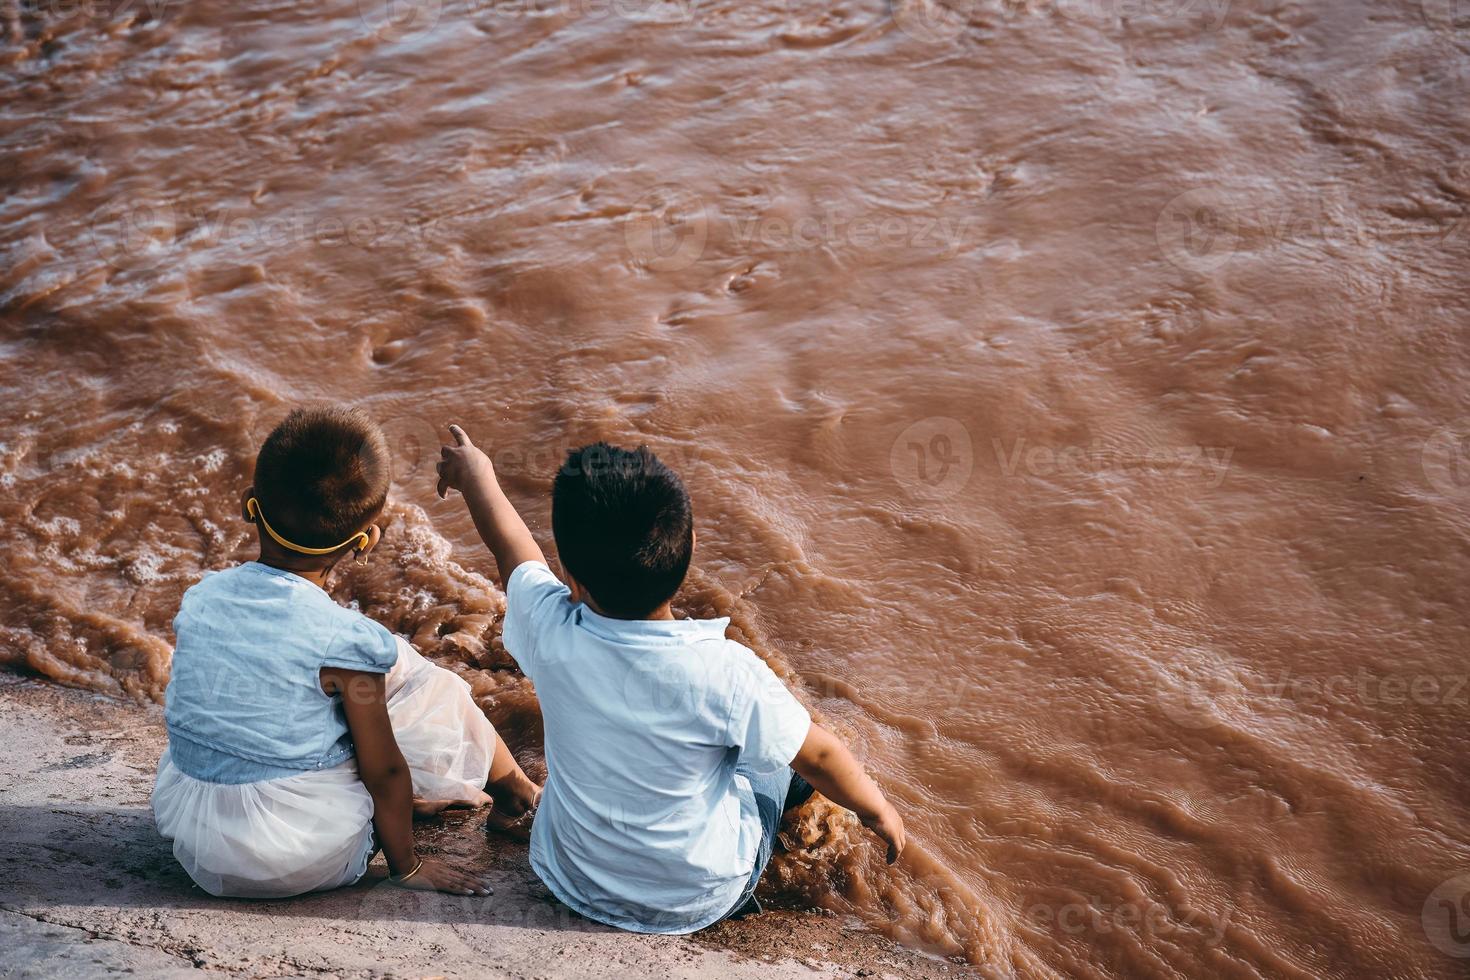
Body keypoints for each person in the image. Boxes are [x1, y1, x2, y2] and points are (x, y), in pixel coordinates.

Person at [435, 425, 905, 933]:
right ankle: (778, 858)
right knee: (779, 753)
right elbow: (821, 756)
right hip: (697, 899)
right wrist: (878, 810)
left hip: (572, 877)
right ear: (690, 548)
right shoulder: (726, 670)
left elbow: (514, 552)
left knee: (753, 733)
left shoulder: (550, 627)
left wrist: (477, 475)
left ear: (568, 577)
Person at [152, 407, 540, 899]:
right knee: (424, 682)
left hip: (195, 835)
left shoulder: (201, 597)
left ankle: (491, 792)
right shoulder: (348, 641)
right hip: (293, 859)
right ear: (366, 541)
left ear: (251, 503)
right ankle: (515, 794)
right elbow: (385, 771)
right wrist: (407, 867)